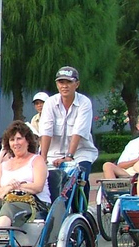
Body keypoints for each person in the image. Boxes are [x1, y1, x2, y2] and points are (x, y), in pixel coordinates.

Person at [38, 66, 98, 196]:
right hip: (53, 154)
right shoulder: (50, 103)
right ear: (57, 84)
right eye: (61, 82)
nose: (64, 86)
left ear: (77, 84)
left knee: (80, 178)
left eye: (69, 82)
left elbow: (78, 131)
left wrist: (69, 157)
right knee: (45, 182)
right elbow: (46, 131)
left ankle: (81, 212)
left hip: (80, 152)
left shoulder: (84, 102)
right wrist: (43, 158)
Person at [102, 113, 139, 178]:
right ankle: (113, 188)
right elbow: (120, 165)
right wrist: (137, 160)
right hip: (131, 173)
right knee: (107, 165)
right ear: (138, 126)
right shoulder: (132, 144)